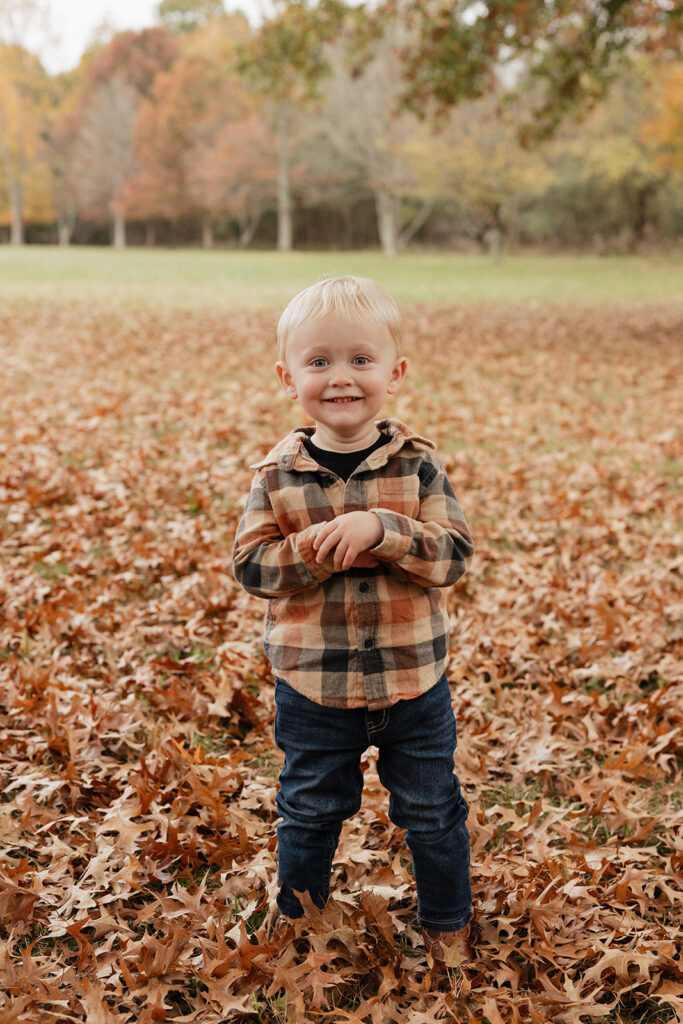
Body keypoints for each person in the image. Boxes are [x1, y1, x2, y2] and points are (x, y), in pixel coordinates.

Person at [231, 275, 475, 961]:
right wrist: (315, 549)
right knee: (309, 810)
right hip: (313, 687)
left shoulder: (418, 467)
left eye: (360, 361)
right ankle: (300, 925)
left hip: (413, 683)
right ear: (288, 378)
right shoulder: (276, 477)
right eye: (319, 362)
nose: (340, 378)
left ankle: (446, 924)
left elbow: (453, 556)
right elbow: (250, 568)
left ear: (394, 373)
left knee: (431, 812)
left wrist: (381, 529)